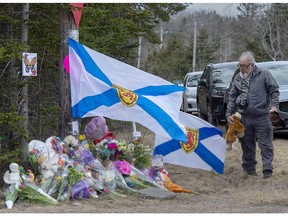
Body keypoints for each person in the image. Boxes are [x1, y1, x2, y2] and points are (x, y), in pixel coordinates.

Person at [225, 51, 279, 179]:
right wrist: (228, 114)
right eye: (240, 65)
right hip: (244, 117)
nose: (242, 68)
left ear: (252, 65)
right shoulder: (238, 77)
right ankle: (249, 171)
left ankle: (267, 170)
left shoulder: (264, 74)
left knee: (265, 144)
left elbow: (274, 91)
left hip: (262, 116)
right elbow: (232, 97)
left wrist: (274, 106)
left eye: (244, 66)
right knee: (247, 145)